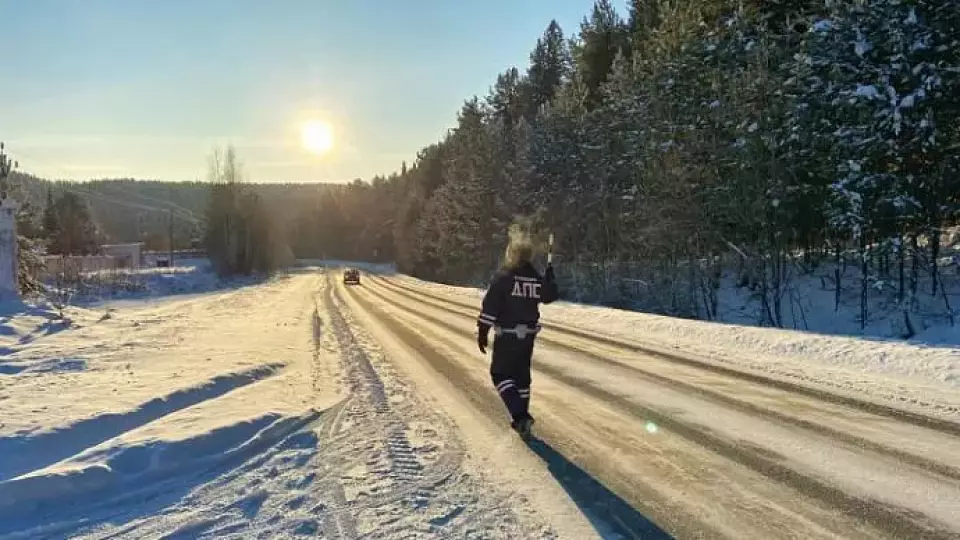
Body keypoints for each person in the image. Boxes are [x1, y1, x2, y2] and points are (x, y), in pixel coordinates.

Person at [476, 235, 559, 436]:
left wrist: (483, 330)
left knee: (500, 374)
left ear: (512, 254)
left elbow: (491, 305)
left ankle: (520, 416)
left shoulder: (505, 278)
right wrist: (549, 279)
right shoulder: (535, 278)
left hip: (507, 336)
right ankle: (522, 418)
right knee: (522, 378)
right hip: (528, 337)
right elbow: (549, 296)